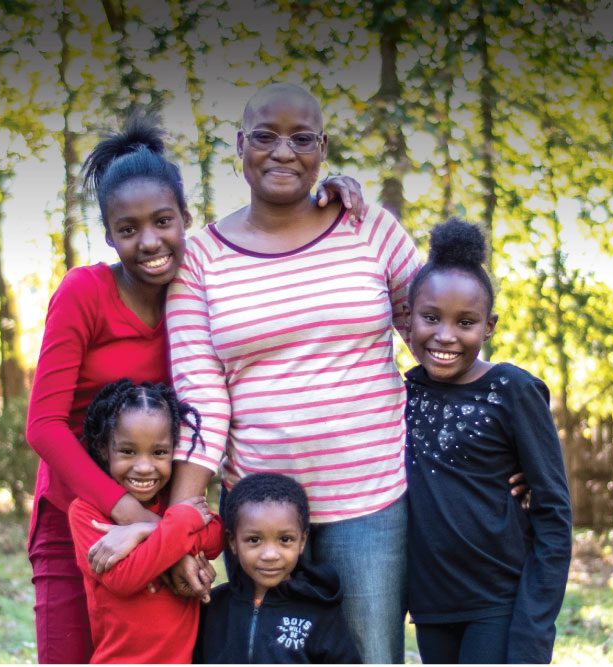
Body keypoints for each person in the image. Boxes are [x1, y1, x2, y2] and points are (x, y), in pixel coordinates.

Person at [24, 111, 364, 664]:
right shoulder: (83, 292)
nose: (149, 241)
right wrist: (141, 526)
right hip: (80, 513)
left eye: (163, 221)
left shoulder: (203, 282)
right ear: (109, 236)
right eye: (128, 230)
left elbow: (276, 252)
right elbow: (43, 426)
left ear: (185, 218)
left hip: (165, 512)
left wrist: (328, 196)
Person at [165, 82, 418, 663]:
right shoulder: (200, 259)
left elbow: (438, 336)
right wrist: (185, 523)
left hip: (372, 503)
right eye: (265, 136)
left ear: (322, 148)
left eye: (301, 138)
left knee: (371, 657)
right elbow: (200, 398)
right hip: (258, 517)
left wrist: (500, 445)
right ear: (239, 145)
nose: (283, 151)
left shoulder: (367, 227)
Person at [401, 218, 573, 664]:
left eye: (466, 322)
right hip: (433, 608)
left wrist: (534, 628)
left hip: (499, 603)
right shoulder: (399, 392)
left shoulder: (512, 390)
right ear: (408, 316)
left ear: (489, 326)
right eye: (431, 317)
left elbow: (554, 513)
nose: (445, 336)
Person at [68, 379, 223, 663]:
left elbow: (215, 536)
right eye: (128, 451)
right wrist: (177, 525)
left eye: (159, 452)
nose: (143, 467)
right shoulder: (86, 513)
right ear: (104, 449)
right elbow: (123, 578)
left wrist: (145, 528)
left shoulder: (175, 501)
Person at [194, 473, 361, 664]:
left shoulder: (320, 611)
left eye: (285, 540)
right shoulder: (213, 607)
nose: (270, 554)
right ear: (232, 542)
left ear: (302, 541)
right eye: (254, 540)